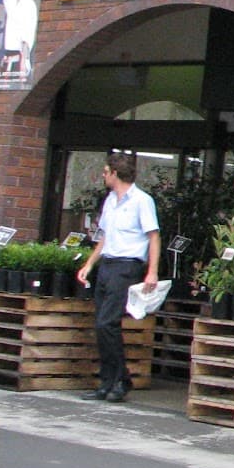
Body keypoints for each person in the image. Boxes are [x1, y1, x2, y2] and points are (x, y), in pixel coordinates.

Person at [75, 150, 160, 403]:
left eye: (105, 172)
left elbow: (153, 236)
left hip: (127, 265)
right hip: (108, 264)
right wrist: (90, 264)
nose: (103, 176)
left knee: (107, 322)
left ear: (115, 173)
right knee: (101, 324)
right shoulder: (110, 200)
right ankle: (108, 381)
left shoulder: (142, 201)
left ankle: (120, 379)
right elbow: (104, 237)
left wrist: (152, 271)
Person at [0, 0, 38, 78]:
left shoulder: (30, 5)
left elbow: (27, 38)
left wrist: (23, 62)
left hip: (19, 60)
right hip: (6, 57)